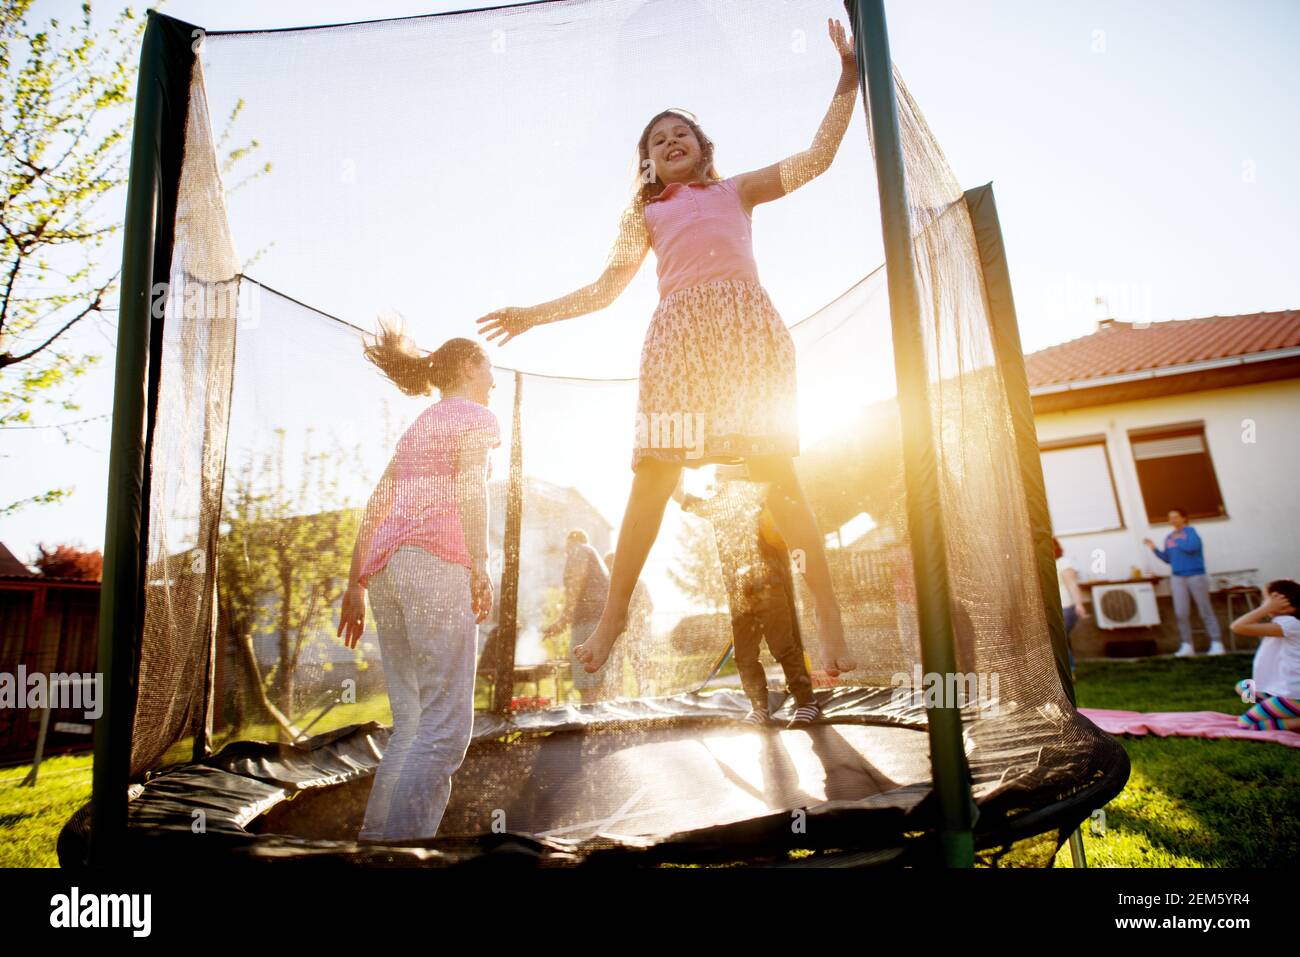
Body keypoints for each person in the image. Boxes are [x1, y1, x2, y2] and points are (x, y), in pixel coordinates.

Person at [477, 19, 860, 684]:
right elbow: (603, 290)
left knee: (782, 479)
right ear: (648, 162)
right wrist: (531, 315)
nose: (670, 140)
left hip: (746, 342)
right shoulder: (645, 214)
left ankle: (827, 613)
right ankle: (615, 611)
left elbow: (816, 159)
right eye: (657, 139)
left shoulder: (736, 190)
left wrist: (848, 79)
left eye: (680, 131)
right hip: (679, 348)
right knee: (653, 477)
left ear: (703, 147)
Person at [337, 325, 500, 843]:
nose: (494, 382)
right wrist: (480, 560)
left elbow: (377, 501)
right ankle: (399, 858)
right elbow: (472, 486)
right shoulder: (476, 416)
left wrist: (355, 583)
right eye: (489, 369)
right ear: (470, 366)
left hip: (386, 569)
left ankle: (374, 845)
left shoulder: (420, 426)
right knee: (446, 729)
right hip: (435, 561)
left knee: (411, 724)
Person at [672, 466, 819, 728]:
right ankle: (759, 707)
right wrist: (676, 474)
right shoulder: (718, 507)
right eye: (717, 477)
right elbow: (680, 496)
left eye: (723, 476)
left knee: (783, 646)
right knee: (744, 655)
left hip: (769, 587)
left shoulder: (758, 502)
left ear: (742, 479)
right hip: (739, 594)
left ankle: (806, 702)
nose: (717, 481)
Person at [1142, 507, 1225, 656]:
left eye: (1175, 517)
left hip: (1196, 575)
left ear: (1184, 518)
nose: (1172, 520)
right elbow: (1167, 558)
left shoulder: (1191, 533)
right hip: (1177, 577)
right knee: (1181, 612)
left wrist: (1178, 539)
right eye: (1170, 518)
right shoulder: (1169, 537)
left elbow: (1191, 548)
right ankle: (1187, 645)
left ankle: (1217, 643)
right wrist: (1154, 548)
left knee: (1205, 610)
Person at [542, 529, 610, 704]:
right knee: (597, 683)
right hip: (599, 621)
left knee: (588, 683)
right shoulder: (595, 557)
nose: (566, 553)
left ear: (570, 542)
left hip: (588, 622)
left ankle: (590, 725)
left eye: (566, 548)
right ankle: (599, 724)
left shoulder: (579, 550)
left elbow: (575, 583)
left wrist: (564, 619)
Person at [1228, 579, 1300, 731]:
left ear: (1282, 603)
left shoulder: (1290, 624)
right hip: (1282, 690)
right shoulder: (1284, 623)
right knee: (1243, 687)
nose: (1263, 603)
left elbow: (1237, 627)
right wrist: (1269, 608)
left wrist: (1266, 609)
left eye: (1265, 599)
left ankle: (1292, 721)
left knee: (1245, 725)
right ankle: (1272, 711)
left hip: (1294, 696)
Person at [605, 549, 653, 697]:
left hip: (635, 634)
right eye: (608, 567)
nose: (609, 571)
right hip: (617, 636)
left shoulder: (637, 582)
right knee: (616, 669)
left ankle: (646, 696)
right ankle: (618, 698)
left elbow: (649, 606)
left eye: (611, 566)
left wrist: (635, 619)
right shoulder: (608, 586)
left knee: (639, 667)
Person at [1053, 536, 1090, 677]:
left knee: (1058, 640)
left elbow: (1072, 585)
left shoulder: (1064, 563)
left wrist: (1079, 605)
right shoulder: (1048, 564)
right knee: (1059, 640)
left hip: (1066, 607)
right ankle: (1066, 672)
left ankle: (1069, 672)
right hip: (1056, 609)